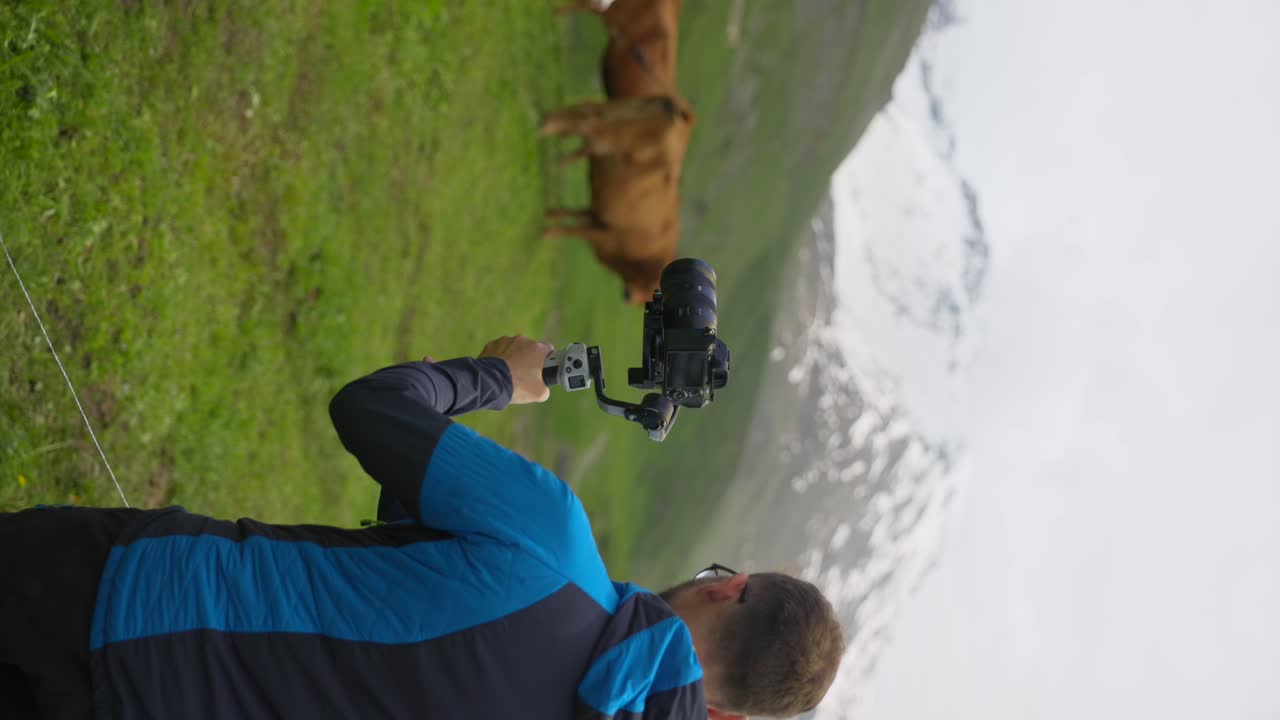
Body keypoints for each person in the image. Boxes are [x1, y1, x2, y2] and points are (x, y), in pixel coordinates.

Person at [1, 334, 845, 719]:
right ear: (724, 715)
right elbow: (410, 616)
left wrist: (496, 378)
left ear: (729, 588)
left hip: (127, 605)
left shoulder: (554, 540)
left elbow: (369, 407)